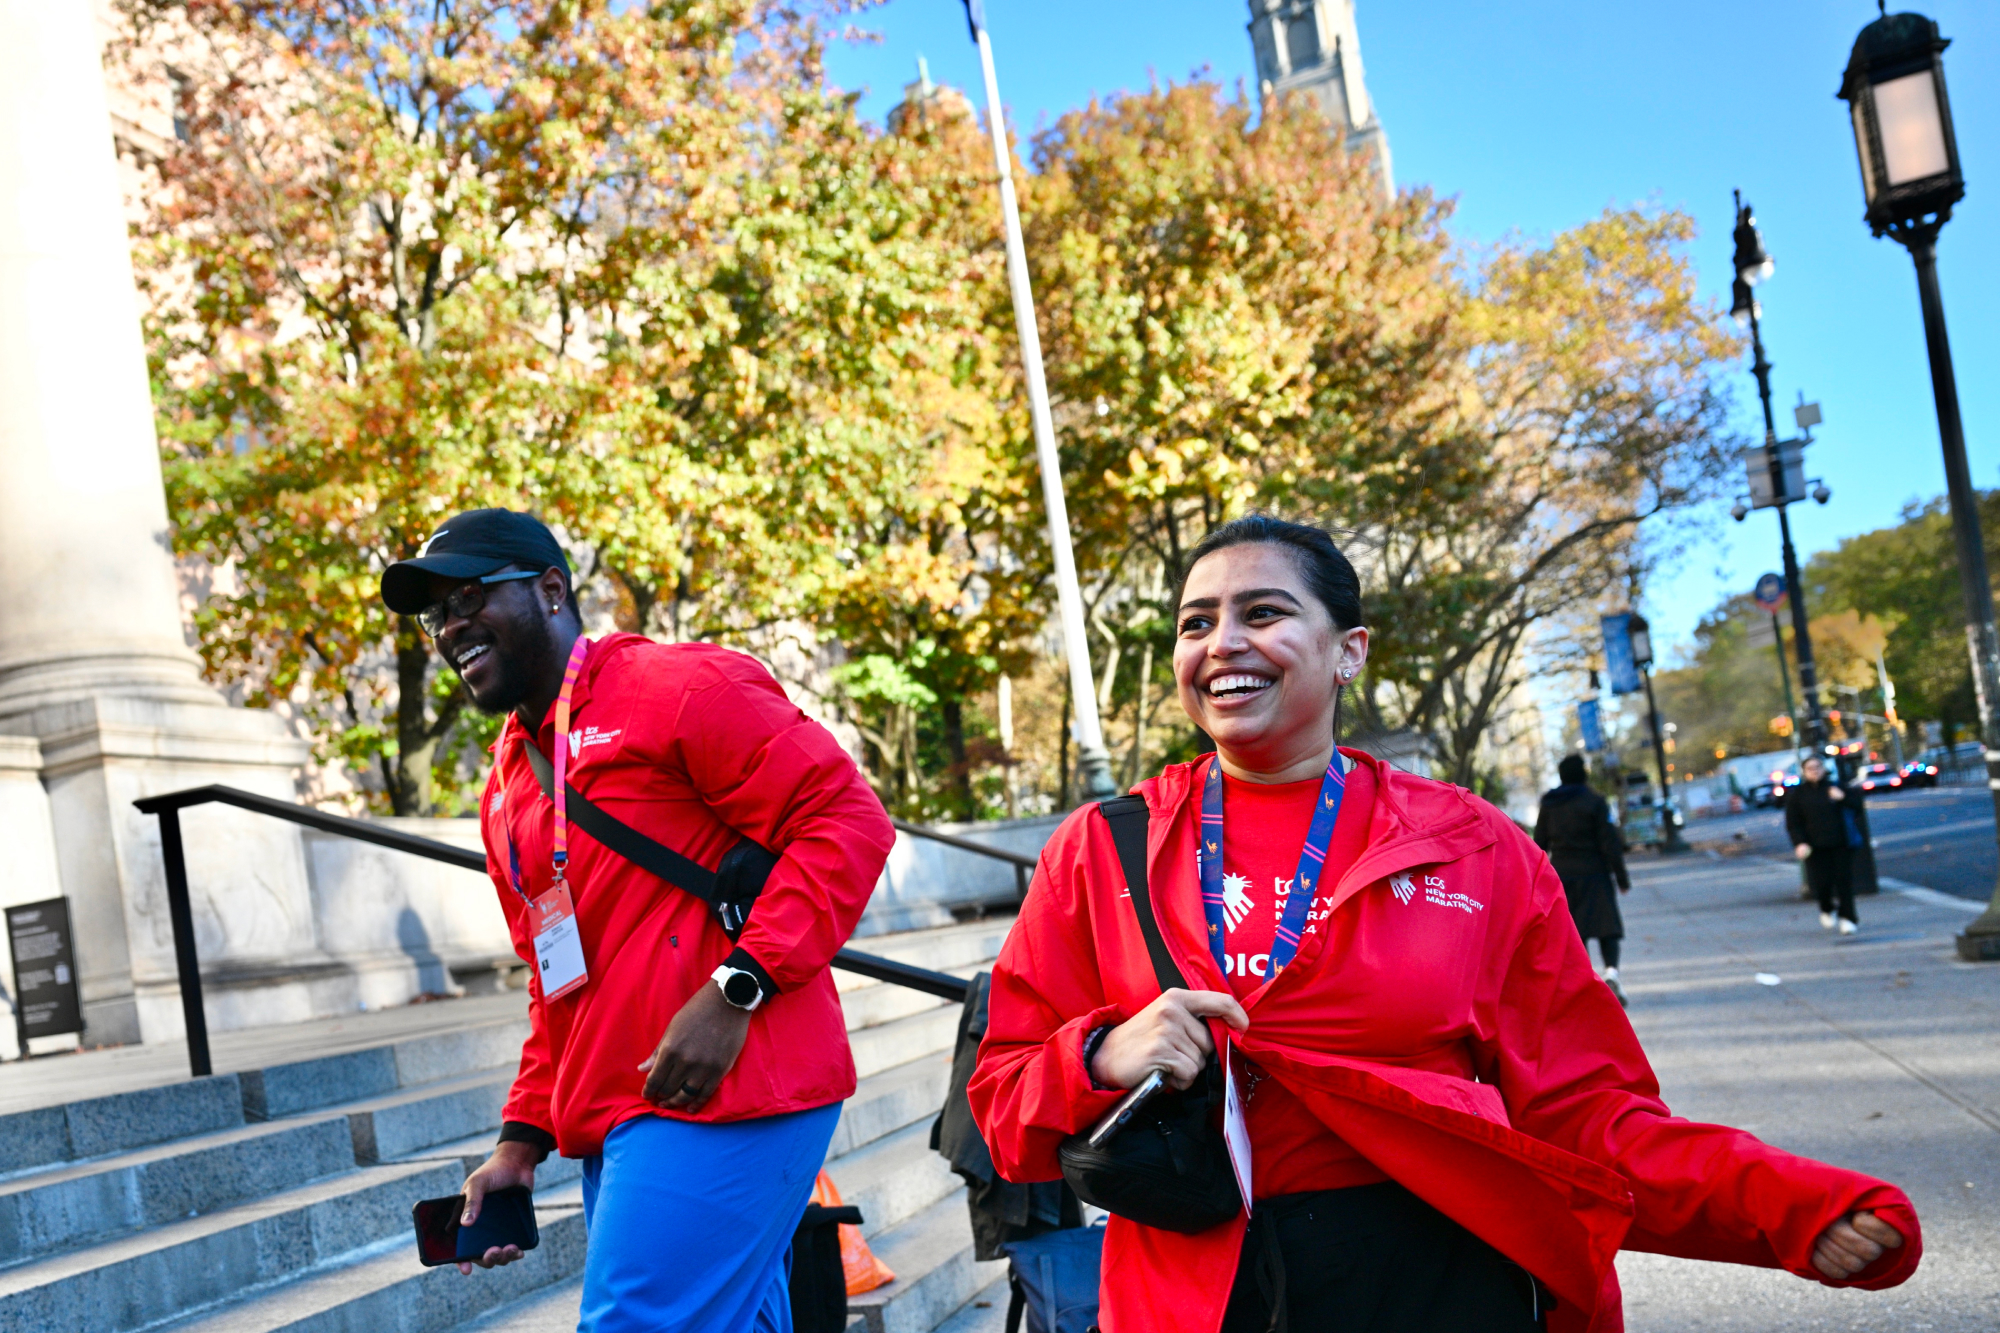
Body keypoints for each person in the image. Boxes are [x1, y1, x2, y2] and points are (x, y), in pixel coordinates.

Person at [967, 515, 1918, 1333]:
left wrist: (1782, 1206)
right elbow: (1001, 1111)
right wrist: (1097, 1057)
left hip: (1441, 1268)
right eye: (1195, 622)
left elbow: (1588, 1113)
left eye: (1263, 612)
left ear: (1350, 650)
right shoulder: (1100, 849)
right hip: (1197, 1289)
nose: (1222, 642)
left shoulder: (1474, 847)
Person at [378, 509, 894, 1333]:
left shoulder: (678, 685)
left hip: (736, 1093)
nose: (452, 625)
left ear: (552, 590)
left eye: (472, 595)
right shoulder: (507, 783)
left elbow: (848, 822)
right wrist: (520, 1138)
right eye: (438, 612)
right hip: (618, 1114)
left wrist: (738, 987)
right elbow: (557, 985)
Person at [1533, 755, 1632, 1006]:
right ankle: (1611, 972)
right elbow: (1609, 843)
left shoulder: (1549, 803)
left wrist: (1536, 880)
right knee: (1606, 926)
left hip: (1562, 875)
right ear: (1583, 775)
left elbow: (1539, 844)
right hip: (1594, 873)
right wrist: (1621, 878)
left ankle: (1584, 983)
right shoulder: (1595, 802)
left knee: (1575, 931)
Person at [1785, 754, 1861, 936]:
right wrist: (1799, 843)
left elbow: (1857, 807)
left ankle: (1848, 918)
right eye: (1810, 768)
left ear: (1823, 769)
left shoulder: (1836, 787)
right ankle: (1826, 908)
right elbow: (1793, 823)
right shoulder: (1798, 795)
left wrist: (1842, 797)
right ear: (1804, 772)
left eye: (1817, 767)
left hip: (1841, 843)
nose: (1814, 771)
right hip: (1814, 847)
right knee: (1822, 883)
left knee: (1844, 882)